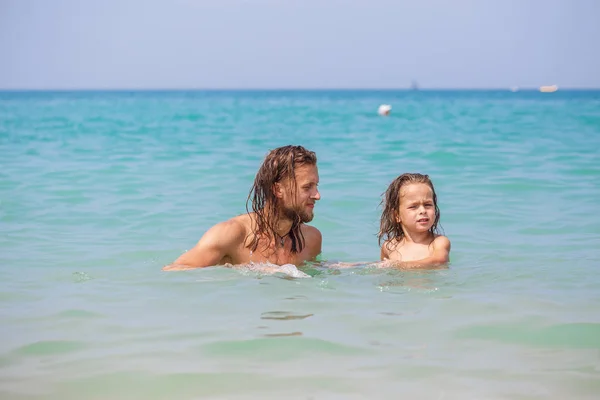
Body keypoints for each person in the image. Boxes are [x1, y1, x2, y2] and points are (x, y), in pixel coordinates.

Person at [163, 145, 322, 271]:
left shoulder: (311, 239)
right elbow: (173, 270)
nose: (317, 195)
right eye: (307, 187)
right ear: (278, 190)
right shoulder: (232, 234)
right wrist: (247, 270)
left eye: (316, 186)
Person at [378, 173, 451, 269]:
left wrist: (400, 265)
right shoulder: (389, 247)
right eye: (413, 206)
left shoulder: (438, 242)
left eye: (427, 204)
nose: (423, 211)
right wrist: (359, 266)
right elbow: (385, 271)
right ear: (397, 215)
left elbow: (439, 260)